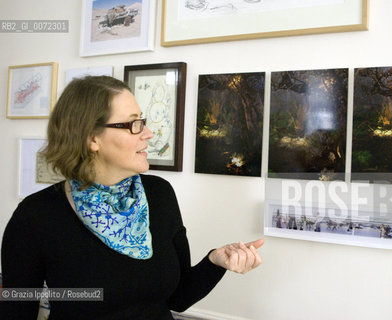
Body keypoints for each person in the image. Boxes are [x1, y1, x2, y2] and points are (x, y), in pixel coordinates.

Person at [1, 76, 263, 319]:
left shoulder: (159, 194)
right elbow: (16, 312)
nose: (148, 133)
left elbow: (178, 298)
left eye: (143, 121)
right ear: (92, 138)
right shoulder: (36, 216)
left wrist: (215, 261)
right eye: (133, 124)